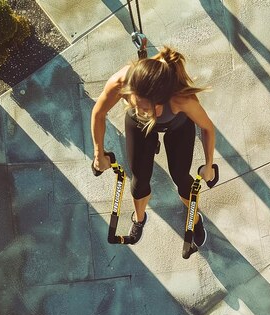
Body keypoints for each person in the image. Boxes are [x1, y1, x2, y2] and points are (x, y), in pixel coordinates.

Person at [91, 45, 216, 258]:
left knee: (181, 177)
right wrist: (98, 154)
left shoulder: (180, 98)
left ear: (160, 103)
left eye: (145, 108)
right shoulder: (122, 82)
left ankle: (195, 219)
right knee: (139, 182)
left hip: (176, 127)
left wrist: (209, 165)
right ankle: (139, 219)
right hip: (140, 128)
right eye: (135, 104)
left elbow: (207, 127)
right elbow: (99, 113)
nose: (139, 110)